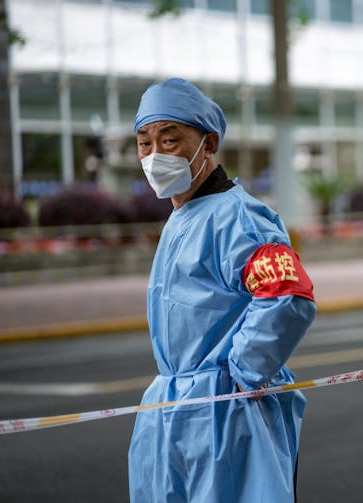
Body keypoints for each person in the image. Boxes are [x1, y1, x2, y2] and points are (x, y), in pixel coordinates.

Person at [127, 78, 316, 502]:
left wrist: (242, 375)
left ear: (208, 144)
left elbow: (288, 295)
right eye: (144, 143)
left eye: (170, 140)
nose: (155, 155)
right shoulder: (183, 217)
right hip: (171, 410)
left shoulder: (238, 218)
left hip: (227, 414)